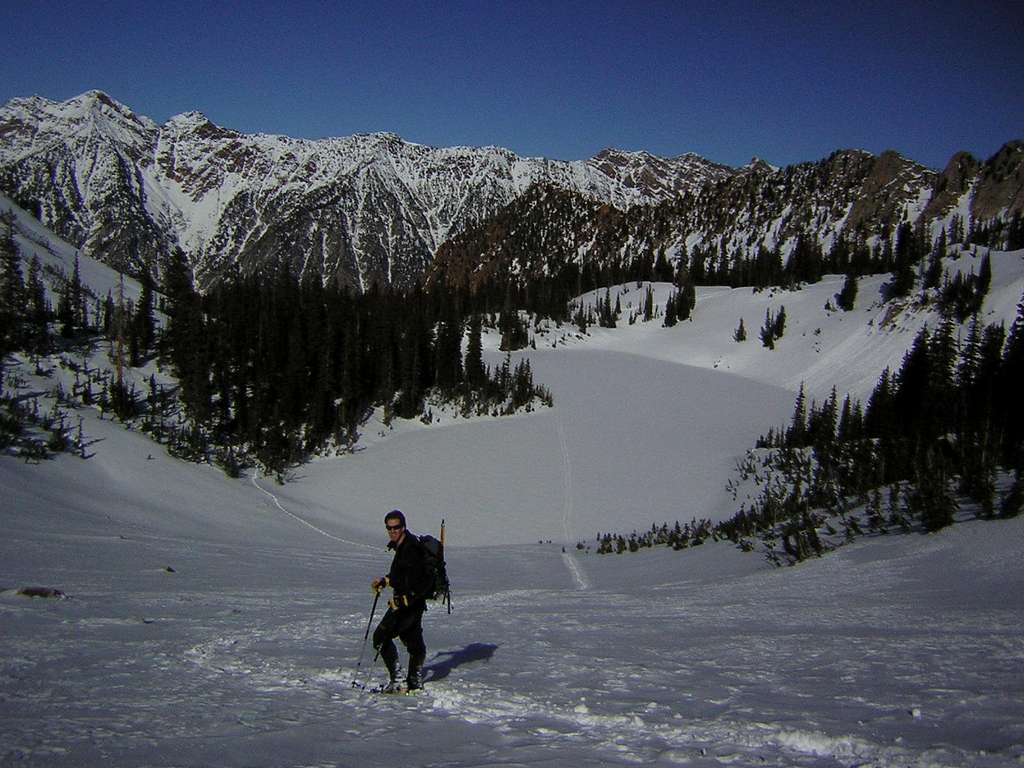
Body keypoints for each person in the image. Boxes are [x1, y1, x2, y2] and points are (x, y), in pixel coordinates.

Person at [371, 509, 432, 692]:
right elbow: (401, 575)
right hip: (410, 604)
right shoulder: (402, 545)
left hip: (408, 605)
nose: (393, 531)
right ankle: (413, 681)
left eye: (396, 527)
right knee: (413, 640)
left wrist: (403, 601)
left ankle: (398, 681)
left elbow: (418, 581)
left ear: (404, 527)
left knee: (380, 637)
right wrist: (385, 581)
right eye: (389, 528)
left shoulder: (411, 548)